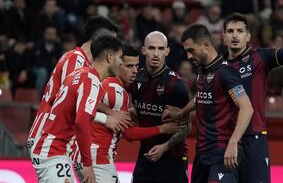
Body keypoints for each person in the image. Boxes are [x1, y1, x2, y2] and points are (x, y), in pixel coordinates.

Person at [163, 4, 283, 183]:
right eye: (230, 31)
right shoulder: (216, 65)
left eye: (240, 31)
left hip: (252, 136)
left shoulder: (261, 58)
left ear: (248, 36)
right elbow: (203, 95)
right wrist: (182, 112)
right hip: (225, 139)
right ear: (223, 36)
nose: (235, 35)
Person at [28, 16, 131, 172]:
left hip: (60, 139)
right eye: (112, 44)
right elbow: (71, 101)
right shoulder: (75, 59)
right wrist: (108, 116)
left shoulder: (84, 66)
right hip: (47, 136)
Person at [75, 43, 181, 183]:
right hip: (99, 160)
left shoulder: (103, 83)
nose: (135, 71)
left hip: (81, 157)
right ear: (117, 64)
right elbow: (129, 134)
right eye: (129, 66)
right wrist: (162, 128)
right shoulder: (117, 91)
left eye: (137, 66)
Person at [180, 24, 253, 183]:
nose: (188, 56)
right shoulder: (202, 69)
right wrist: (181, 112)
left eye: (191, 50)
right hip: (202, 154)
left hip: (223, 153)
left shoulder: (225, 73)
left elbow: (246, 108)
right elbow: (202, 96)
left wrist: (233, 143)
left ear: (206, 45)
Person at [131, 31, 191, 183]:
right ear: (143, 50)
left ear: (167, 51)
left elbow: (187, 127)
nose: (156, 54)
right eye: (151, 48)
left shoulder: (177, 85)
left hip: (173, 159)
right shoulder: (135, 79)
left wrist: (164, 147)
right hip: (145, 157)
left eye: (160, 48)